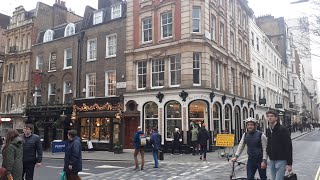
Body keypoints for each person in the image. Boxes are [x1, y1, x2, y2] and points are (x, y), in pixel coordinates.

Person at [266, 110, 293, 180]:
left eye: (271, 116)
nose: (269, 118)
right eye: (268, 116)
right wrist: (268, 154)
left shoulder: (283, 129)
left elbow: (288, 147)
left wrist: (289, 164)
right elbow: (269, 143)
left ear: (276, 118)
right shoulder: (269, 130)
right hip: (272, 159)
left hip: (281, 160)